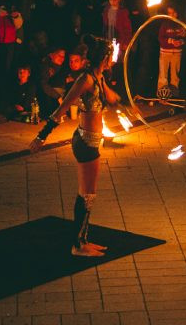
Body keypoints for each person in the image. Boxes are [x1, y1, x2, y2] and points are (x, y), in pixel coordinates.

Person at [29, 35, 121, 257]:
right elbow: (62, 109)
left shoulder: (98, 78)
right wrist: (42, 136)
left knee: (90, 194)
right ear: (105, 57)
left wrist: (108, 82)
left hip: (92, 140)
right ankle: (78, 245)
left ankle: (84, 239)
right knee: (86, 194)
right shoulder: (85, 80)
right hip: (85, 141)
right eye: (110, 57)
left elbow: (112, 98)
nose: (112, 60)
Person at [157, 2, 186, 95]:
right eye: (169, 13)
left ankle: (173, 95)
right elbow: (161, 38)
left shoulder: (181, 25)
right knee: (163, 75)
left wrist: (181, 42)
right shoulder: (165, 24)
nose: (172, 15)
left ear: (177, 13)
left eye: (174, 13)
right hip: (165, 53)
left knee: (175, 75)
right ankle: (162, 96)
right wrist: (171, 41)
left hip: (177, 53)